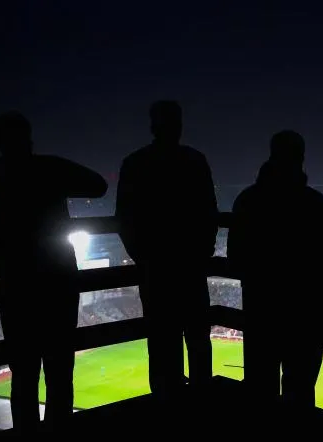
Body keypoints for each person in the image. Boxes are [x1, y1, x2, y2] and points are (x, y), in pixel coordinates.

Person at [0, 111, 107, 433]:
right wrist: (50, 168)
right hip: (58, 284)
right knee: (60, 373)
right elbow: (98, 185)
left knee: (24, 376)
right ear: (29, 139)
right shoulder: (49, 169)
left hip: (15, 287)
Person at [116, 101, 218, 400]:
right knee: (198, 341)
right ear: (180, 125)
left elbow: (124, 218)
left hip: (155, 271)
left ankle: (165, 408)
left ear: (152, 125)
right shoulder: (194, 161)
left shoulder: (136, 163)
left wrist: (144, 258)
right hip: (190, 268)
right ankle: (201, 402)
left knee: (162, 344)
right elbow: (209, 213)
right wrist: (201, 253)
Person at [228, 130, 323, 409]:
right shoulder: (314, 203)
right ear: (301, 158)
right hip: (304, 312)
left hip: (261, 309)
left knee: (261, 389)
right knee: (300, 391)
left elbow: (235, 257)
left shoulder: (247, 201)